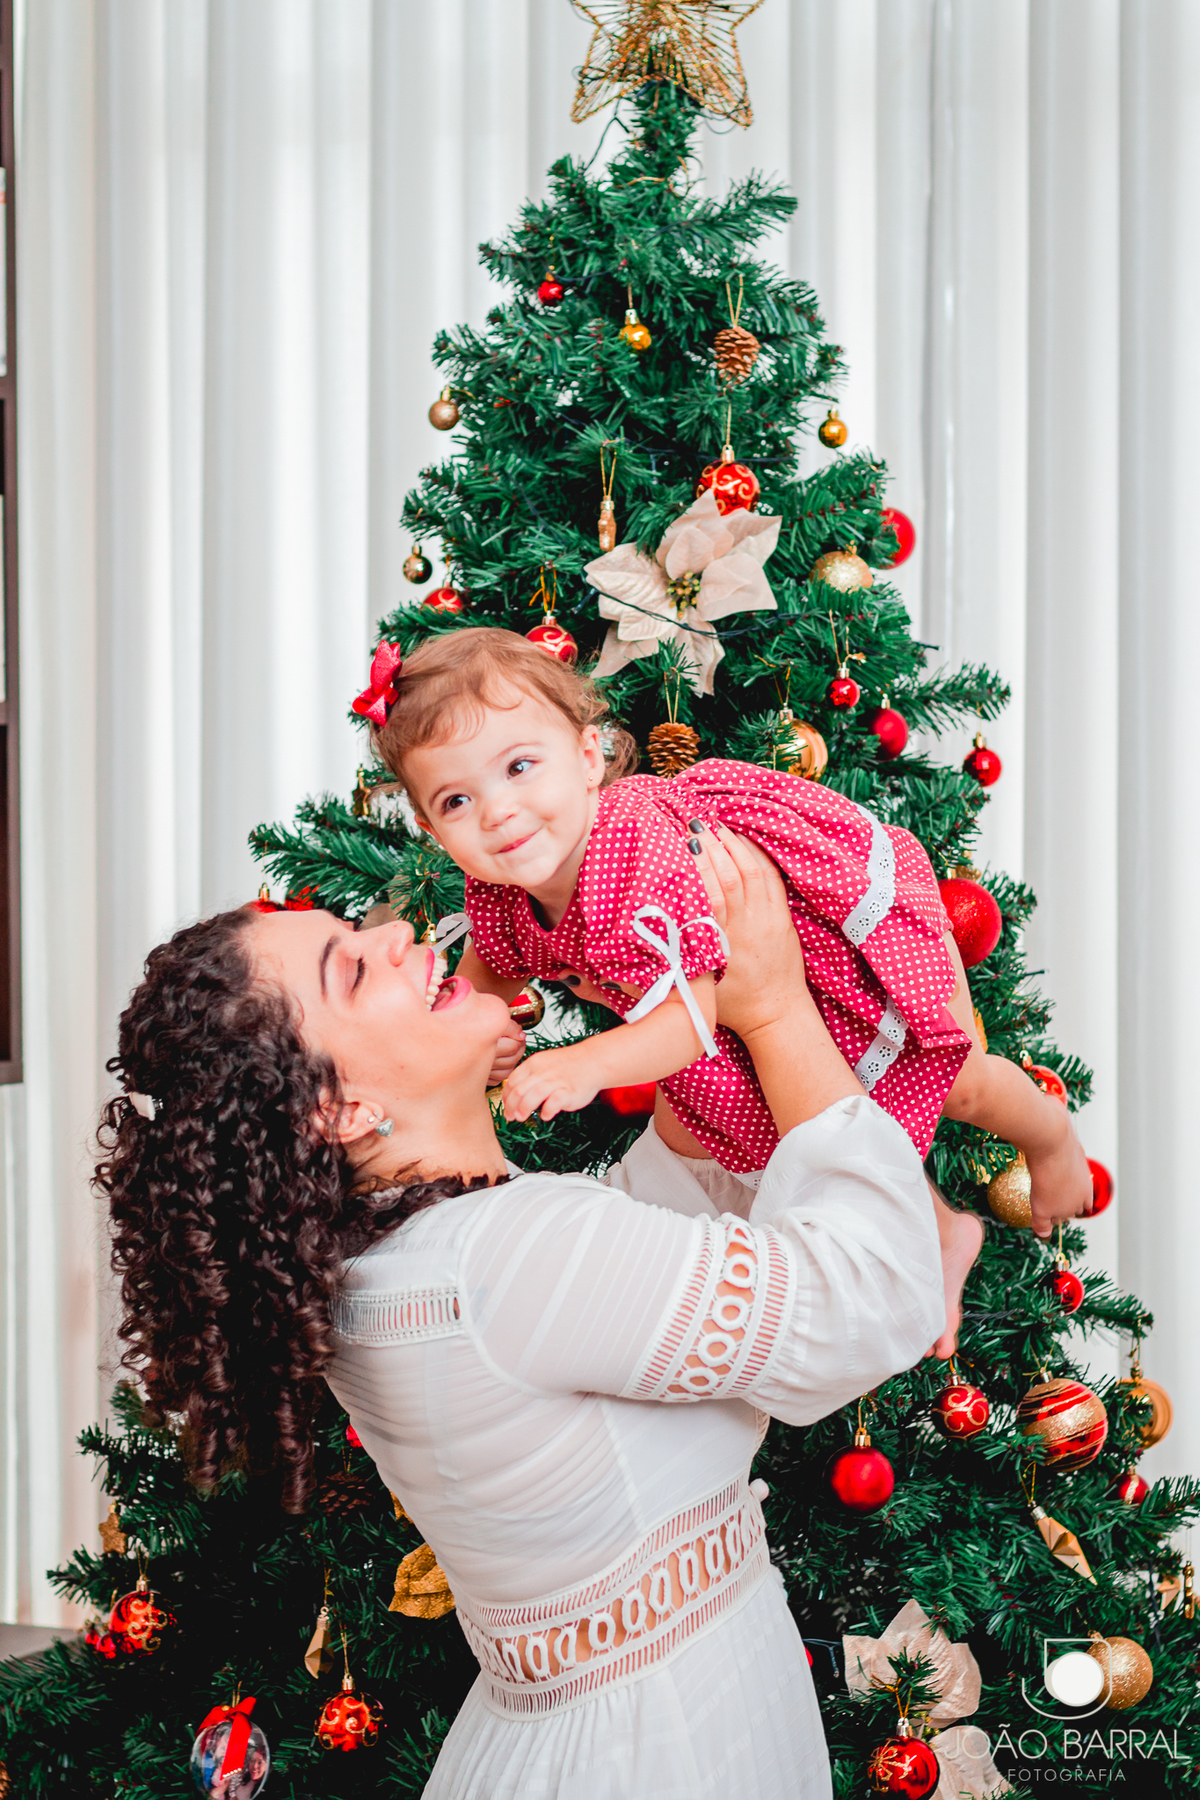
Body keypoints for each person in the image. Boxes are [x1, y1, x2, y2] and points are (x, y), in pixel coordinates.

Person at [99, 828, 943, 1800]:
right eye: (351, 970)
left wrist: (678, 1023)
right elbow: (876, 1297)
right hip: (662, 1753)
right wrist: (776, 1008)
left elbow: (623, 1283)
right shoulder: (506, 1255)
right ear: (338, 1107)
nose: (397, 936)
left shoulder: (396, 1262)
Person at [365, 627, 1091, 1349]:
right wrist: (481, 1035)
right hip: (729, 995)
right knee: (810, 1127)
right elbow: (488, 976)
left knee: (953, 1077)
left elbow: (690, 1020)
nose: (498, 810)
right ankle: (938, 1232)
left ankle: (1046, 1131)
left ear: (589, 759)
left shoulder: (634, 850)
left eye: (521, 766)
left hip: (824, 938)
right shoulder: (498, 888)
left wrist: (585, 1063)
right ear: (430, 828)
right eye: (457, 801)